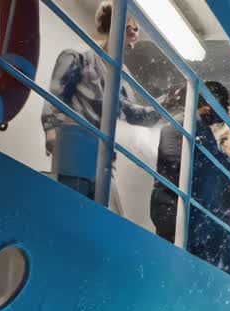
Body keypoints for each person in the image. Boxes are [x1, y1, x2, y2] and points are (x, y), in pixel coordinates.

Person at [41, 1, 161, 213]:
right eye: (132, 29)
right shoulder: (79, 55)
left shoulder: (120, 74)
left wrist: (165, 107)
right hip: (75, 146)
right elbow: (56, 95)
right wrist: (51, 130)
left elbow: (130, 111)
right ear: (115, 24)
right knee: (73, 212)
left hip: (103, 156)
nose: (135, 37)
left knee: (111, 216)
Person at [150, 81, 230, 274]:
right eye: (223, 105)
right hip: (177, 211)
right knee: (173, 270)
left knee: (182, 271)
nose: (224, 111)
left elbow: (218, 168)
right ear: (210, 104)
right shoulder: (181, 126)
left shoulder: (201, 131)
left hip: (192, 217)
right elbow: (176, 166)